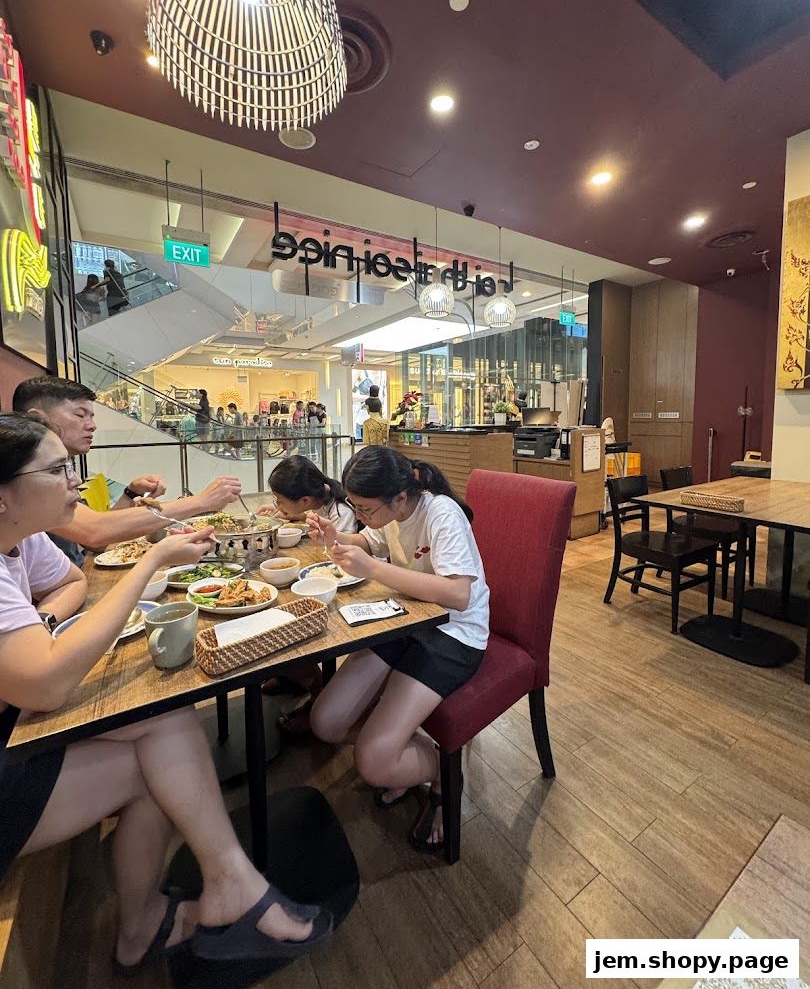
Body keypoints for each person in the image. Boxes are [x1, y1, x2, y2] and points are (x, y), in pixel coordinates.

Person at [0, 413, 332, 972]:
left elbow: (73, 582)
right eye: (57, 470)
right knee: (169, 765)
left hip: (16, 726)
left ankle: (189, 905)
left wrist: (37, 622)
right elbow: (48, 684)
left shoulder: (19, 542)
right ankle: (208, 899)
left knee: (171, 723)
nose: (76, 482)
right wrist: (153, 557)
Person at [307, 446, 489, 852]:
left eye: (365, 509)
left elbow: (458, 594)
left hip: (454, 634)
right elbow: (369, 542)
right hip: (405, 618)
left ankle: (443, 773)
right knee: (326, 721)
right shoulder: (387, 512)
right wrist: (335, 536)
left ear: (400, 498)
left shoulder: (441, 513)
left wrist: (372, 569)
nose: (361, 515)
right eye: (354, 506)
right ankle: (413, 755)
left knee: (373, 762)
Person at [12, 377, 242, 565]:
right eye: (80, 414)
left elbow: (96, 542)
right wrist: (202, 501)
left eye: (92, 416)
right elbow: (95, 531)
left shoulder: (64, 471)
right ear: (38, 419)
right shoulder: (25, 476)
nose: (92, 425)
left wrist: (130, 494)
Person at [256, 458, 357, 725]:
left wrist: (297, 520)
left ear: (304, 500)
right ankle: (293, 677)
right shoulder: (319, 503)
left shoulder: (341, 511)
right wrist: (289, 514)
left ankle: (312, 689)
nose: (277, 505)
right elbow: (313, 518)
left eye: (280, 500)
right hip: (318, 572)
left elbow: (335, 552)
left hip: (341, 585)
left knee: (294, 613)